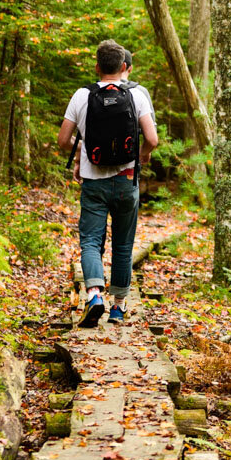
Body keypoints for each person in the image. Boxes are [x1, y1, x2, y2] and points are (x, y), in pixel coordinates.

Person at [57, 39, 158, 326]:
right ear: (124, 66)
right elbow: (152, 139)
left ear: (97, 66)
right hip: (127, 181)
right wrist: (143, 156)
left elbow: (63, 140)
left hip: (93, 183)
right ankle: (118, 307)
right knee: (124, 245)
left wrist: (83, 152)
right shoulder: (137, 95)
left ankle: (94, 295)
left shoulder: (81, 95)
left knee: (90, 241)